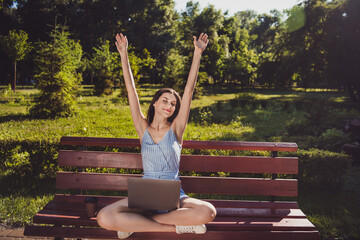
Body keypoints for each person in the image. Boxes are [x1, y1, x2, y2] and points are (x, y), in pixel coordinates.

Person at [96, 32, 217, 239]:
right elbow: (130, 90)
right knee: (104, 217)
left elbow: (188, 92)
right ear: (154, 102)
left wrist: (197, 53)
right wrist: (123, 55)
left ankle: (136, 224)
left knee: (208, 212)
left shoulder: (176, 129)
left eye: (172, 103)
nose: (169, 105)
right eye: (164, 100)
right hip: (145, 198)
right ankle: (174, 226)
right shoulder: (142, 127)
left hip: (174, 197)